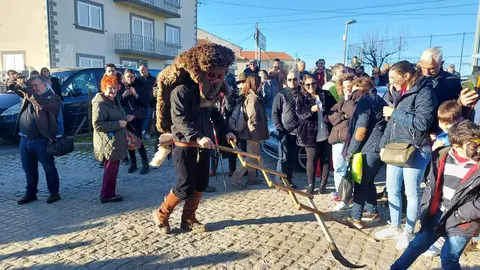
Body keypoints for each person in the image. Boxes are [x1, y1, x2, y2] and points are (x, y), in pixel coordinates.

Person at [152, 43, 236, 234]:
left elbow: (215, 115)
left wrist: (227, 131)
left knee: (201, 183)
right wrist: (198, 137)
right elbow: (179, 120)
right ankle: (161, 215)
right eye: (211, 75)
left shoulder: (207, 94)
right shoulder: (180, 91)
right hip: (184, 145)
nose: (214, 80)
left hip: (203, 146)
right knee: (185, 185)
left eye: (218, 76)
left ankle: (188, 219)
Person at [391, 119, 480, 270]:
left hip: (463, 221)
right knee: (416, 245)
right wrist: (426, 207)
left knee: (448, 258)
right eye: (473, 146)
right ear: (457, 147)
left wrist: (460, 215)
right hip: (437, 214)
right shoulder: (441, 156)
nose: (478, 149)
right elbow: (431, 185)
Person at [376, 60, 438, 249]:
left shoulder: (424, 93)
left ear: (407, 76)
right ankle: (395, 226)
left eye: (394, 78)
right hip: (395, 148)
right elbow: (391, 123)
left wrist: (395, 113)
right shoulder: (397, 93)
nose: (391, 82)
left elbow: (421, 124)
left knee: (411, 193)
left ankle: (409, 232)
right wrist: (382, 145)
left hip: (416, 149)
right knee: (392, 188)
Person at [344, 77, 388, 229]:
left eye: (355, 90)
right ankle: (373, 212)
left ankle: (356, 217)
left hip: (370, 148)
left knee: (361, 182)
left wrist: (350, 152)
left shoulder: (366, 101)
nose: (353, 93)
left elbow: (361, 130)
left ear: (362, 89)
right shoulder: (381, 101)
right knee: (368, 181)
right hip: (380, 147)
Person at [421, 100, 463, 256]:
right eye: (442, 122)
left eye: (449, 123)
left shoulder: (460, 137)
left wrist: (440, 147)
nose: (445, 126)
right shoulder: (443, 135)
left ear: (459, 120)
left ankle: (445, 242)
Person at [15, 75, 62, 205]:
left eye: (36, 85)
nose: (33, 88)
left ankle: (54, 193)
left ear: (45, 84)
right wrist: (15, 83)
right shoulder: (29, 95)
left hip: (42, 140)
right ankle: (30, 193)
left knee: (49, 168)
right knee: (28, 169)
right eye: (32, 86)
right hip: (25, 139)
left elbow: (40, 102)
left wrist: (27, 90)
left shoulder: (53, 98)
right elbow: (18, 91)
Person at [92, 75, 134, 203]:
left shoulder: (113, 100)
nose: (113, 91)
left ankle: (110, 192)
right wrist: (118, 124)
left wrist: (125, 118)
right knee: (110, 169)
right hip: (108, 142)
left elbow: (115, 117)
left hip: (115, 140)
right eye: (110, 88)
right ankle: (106, 195)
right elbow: (97, 124)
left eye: (115, 88)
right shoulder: (100, 103)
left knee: (113, 168)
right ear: (104, 88)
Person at [419, 47, 477, 132]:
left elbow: (457, 106)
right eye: (423, 68)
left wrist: (461, 102)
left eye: (432, 69)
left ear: (441, 64)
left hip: (442, 127)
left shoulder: (453, 81)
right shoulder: (415, 79)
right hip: (420, 128)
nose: (427, 72)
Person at [295, 74, 334, 194]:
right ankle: (311, 186)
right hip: (309, 134)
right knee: (311, 160)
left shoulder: (325, 94)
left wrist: (329, 115)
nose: (311, 86)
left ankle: (323, 185)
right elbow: (300, 113)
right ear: (303, 85)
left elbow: (335, 107)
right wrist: (310, 110)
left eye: (313, 83)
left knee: (326, 159)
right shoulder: (301, 96)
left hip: (326, 131)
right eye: (308, 84)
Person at [231, 74, 269, 188]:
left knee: (254, 155)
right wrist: (255, 135)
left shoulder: (251, 96)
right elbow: (252, 118)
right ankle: (236, 177)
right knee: (251, 157)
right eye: (260, 82)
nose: (262, 84)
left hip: (251, 132)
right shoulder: (252, 98)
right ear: (255, 83)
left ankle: (252, 178)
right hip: (252, 133)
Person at [328, 73, 356, 203]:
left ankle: (350, 193)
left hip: (351, 140)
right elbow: (330, 117)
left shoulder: (357, 102)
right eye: (344, 87)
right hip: (337, 140)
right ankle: (340, 192)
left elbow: (353, 114)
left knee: (351, 168)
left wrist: (348, 101)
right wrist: (343, 116)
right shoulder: (339, 103)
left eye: (349, 86)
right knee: (339, 167)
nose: (347, 89)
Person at [272, 71, 301, 188]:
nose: (292, 82)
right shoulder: (281, 95)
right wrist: (280, 129)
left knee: (292, 159)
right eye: (290, 79)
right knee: (283, 158)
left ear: (299, 80)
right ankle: (280, 183)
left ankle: (288, 181)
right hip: (285, 132)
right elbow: (275, 113)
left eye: (294, 79)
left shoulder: (302, 94)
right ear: (286, 81)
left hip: (298, 132)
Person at [118, 69, 150, 174]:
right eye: (127, 77)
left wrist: (136, 95)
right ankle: (133, 163)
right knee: (128, 140)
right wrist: (123, 95)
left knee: (138, 140)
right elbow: (118, 104)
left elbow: (144, 103)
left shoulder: (140, 85)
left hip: (137, 117)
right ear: (124, 78)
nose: (130, 79)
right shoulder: (121, 88)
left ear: (134, 76)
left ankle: (145, 163)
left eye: (131, 77)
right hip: (125, 118)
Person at [138, 63, 156, 140]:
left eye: (143, 69)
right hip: (140, 102)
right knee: (142, 117)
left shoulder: (153, 79)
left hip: (150, 102)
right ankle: (143, 133)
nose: (141, 71)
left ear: (147, 69)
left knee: (148, 117)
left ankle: (143, 132)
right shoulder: (138, 80)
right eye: (140, 70)